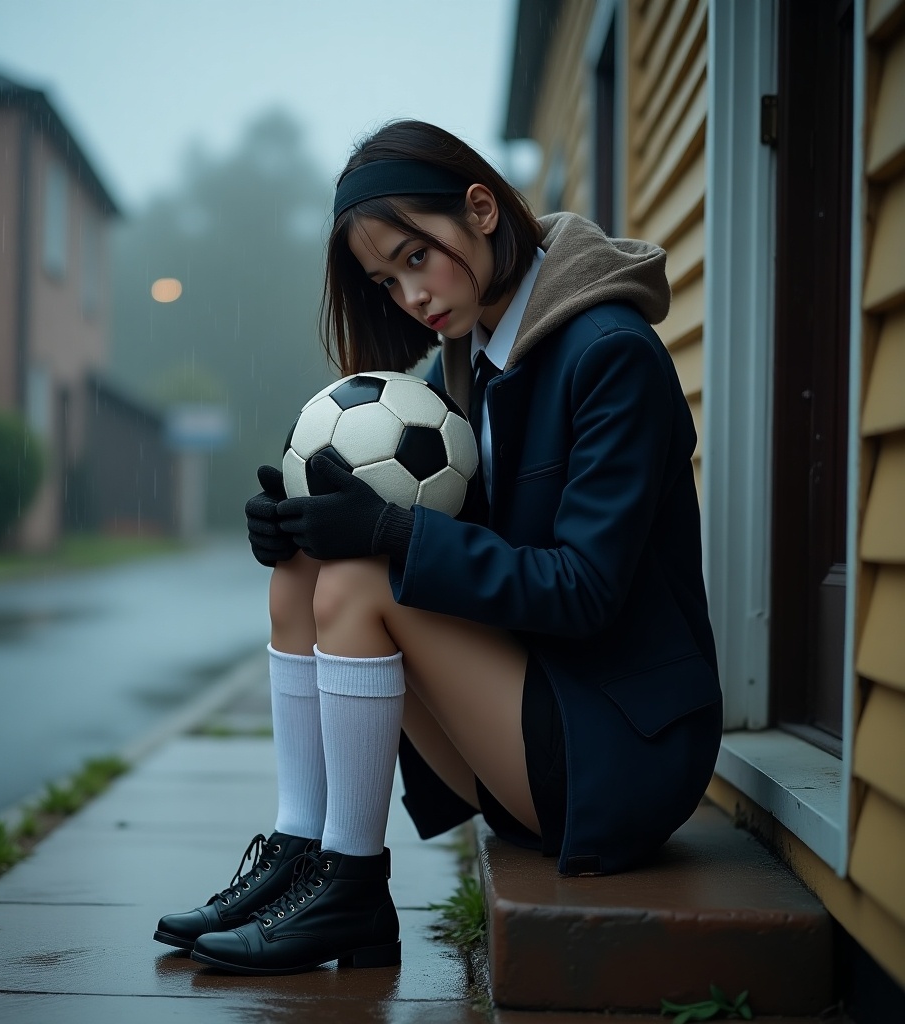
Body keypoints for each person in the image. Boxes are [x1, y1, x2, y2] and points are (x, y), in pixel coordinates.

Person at [153, 119, 723, 975]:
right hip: (534, 717)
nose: (410, 297)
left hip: (622, 751)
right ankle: (303, 849)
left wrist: (388, 532)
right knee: (308, 569)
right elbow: (413, 524)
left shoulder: (611, 356)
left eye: (415, 258)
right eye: (388, 280)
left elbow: (585, 591)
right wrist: (293, 519)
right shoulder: (468, 366)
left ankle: (352, 884)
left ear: (482, 210)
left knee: (361, 581)